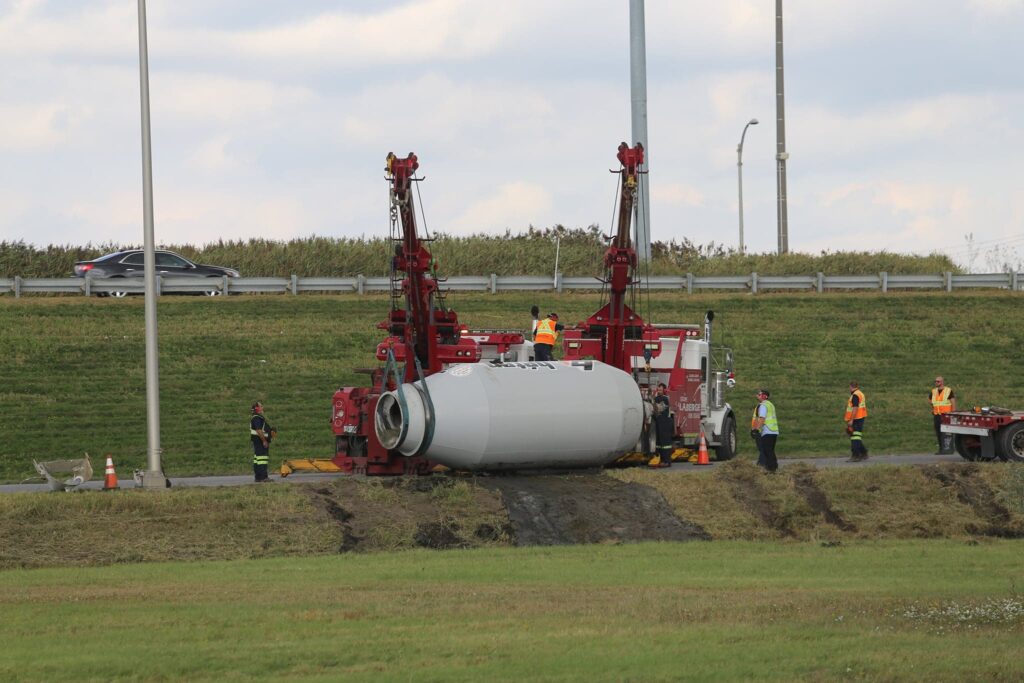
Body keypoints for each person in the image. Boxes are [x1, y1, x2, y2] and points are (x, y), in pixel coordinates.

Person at [929, 376, 957, 454]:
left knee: (946, 433)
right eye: (935, 381)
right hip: (937, 415)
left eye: (938, 381)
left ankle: (948, 449)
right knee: (938, 432)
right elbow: (931, 402)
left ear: (942, 382)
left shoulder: (948, 390)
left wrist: (953, 412)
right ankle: (941, 449)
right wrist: (933, 409)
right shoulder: (933, 391)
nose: (936, 383)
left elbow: (953, 402)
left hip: (946, 415)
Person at [753, 389, 779, 472]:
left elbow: (762, 418)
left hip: (767, 431)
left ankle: (771, 468)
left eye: (759, 394)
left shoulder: (763, 405)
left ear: (764, 396)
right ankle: (773, 467)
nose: (757, 395)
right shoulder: (770, 404)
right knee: (770, 450)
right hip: (774, 431)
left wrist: (756, 429)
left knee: (767, 451)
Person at [249, 401, 276, 482]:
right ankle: (263, 477)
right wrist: (264, 441)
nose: (262, 408)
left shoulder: (257, 417)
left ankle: (258, 477)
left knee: (258, 459)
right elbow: (258, 430)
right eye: (261, 406)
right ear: (257, 408)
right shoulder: (257, 418)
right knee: (262, 459)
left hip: (258, 441)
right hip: (260, 441)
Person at [651, 383, 675, 468]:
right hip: (659, 423)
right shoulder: (656, 398)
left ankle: (667, 461)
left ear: (664, 390)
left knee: (665, 444)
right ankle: (662, 460)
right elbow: (655, 412)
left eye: (661, 390)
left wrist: (654, 408)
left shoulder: (665, 399)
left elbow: (661, 410)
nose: (659, 391)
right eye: (658, 389)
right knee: (660, 443)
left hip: (665, 424)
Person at [844, 381, 868, 462]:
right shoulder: (860, 393)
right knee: (856, 437)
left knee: (854, 437)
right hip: (860, 417)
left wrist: (851, 420)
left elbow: (855, 408)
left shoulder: (855, 395)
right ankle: (864, 453)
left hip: (856, 419)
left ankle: (856, 456)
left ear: (851, 386)